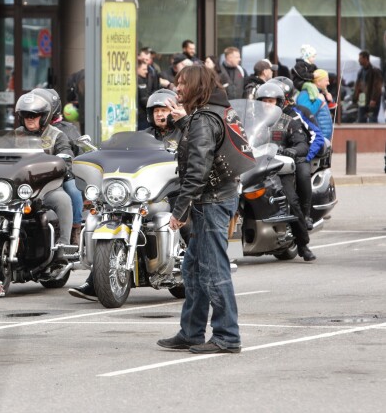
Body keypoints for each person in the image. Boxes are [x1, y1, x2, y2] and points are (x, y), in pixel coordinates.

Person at [157, 64, 254, 355]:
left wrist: (180, 210)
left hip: (210, 202)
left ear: (197, 86)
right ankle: (191, 332)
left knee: (212, 271)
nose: (178, 89)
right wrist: (185, 121)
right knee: (194, 269)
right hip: (215, 199)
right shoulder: (215, 112)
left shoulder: (204, 119)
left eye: (183, 84)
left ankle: (227, 336)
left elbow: (197, 169)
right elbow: (207, 148)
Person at [69, 88, 186, 303]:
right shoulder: (144, 136)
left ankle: (192, 265)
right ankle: (96, 279)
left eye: (164, 110)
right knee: (110, 215)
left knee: (186, 219)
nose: (160, 114)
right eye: (156, 111)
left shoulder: (183, 133)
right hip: (142, 192)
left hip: (174, 190)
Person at [254, 82, 317, 261]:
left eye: (271, 100)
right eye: (264, 101)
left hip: (279, 170)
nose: (267, 104)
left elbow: (302, 143)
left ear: (279, 102)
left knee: (291, 201)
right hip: (255, 169)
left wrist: (293, 151)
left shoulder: (288, 122)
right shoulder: (252, 122)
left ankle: (303, 244)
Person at [15, 91, 74, 245]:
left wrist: (64, 163)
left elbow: (67, 157)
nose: (29, 118)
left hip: (47, 188)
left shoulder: (57, 136)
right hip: (17, 189)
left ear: (44, 116)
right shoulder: (14, 136)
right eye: (26, 114)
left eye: (34, 115)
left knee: (63, 200)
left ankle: (63, 245)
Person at [269, 77, 325, 230]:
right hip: (271, 155)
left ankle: (305, 215)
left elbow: (317, 136)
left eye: (274, 98)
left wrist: (305, 156)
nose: (269, 102)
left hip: (297, 154)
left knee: (302, 173)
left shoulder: (299, 112)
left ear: (284, 98)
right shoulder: (266, 114)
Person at [35, 88, 84, 245]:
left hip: (65, 174)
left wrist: (68, 166)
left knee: (73, 192)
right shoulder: (31, 128)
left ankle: (75, 229)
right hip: (35, 177)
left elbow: (79, 153)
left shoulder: (67, 129)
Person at [296, 69, 334, 140]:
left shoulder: (317, 94)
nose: (328, 83)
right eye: (326, 80)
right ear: (319, 82)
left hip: (321, 138)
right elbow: (305, 113)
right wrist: (319, 101)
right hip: (315, 139)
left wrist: (330, 100)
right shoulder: (306, 93)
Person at [353, 50, 383, 123]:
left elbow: (377, 86)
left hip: (371, 100)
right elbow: (358, 85)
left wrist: (374, 99)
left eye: (360, 58)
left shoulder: (375, 71)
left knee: (372, 120)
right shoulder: (360, 71)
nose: (359, 60)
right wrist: (355, 98)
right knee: (361, 120)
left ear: (366, 58)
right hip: (362, 100)